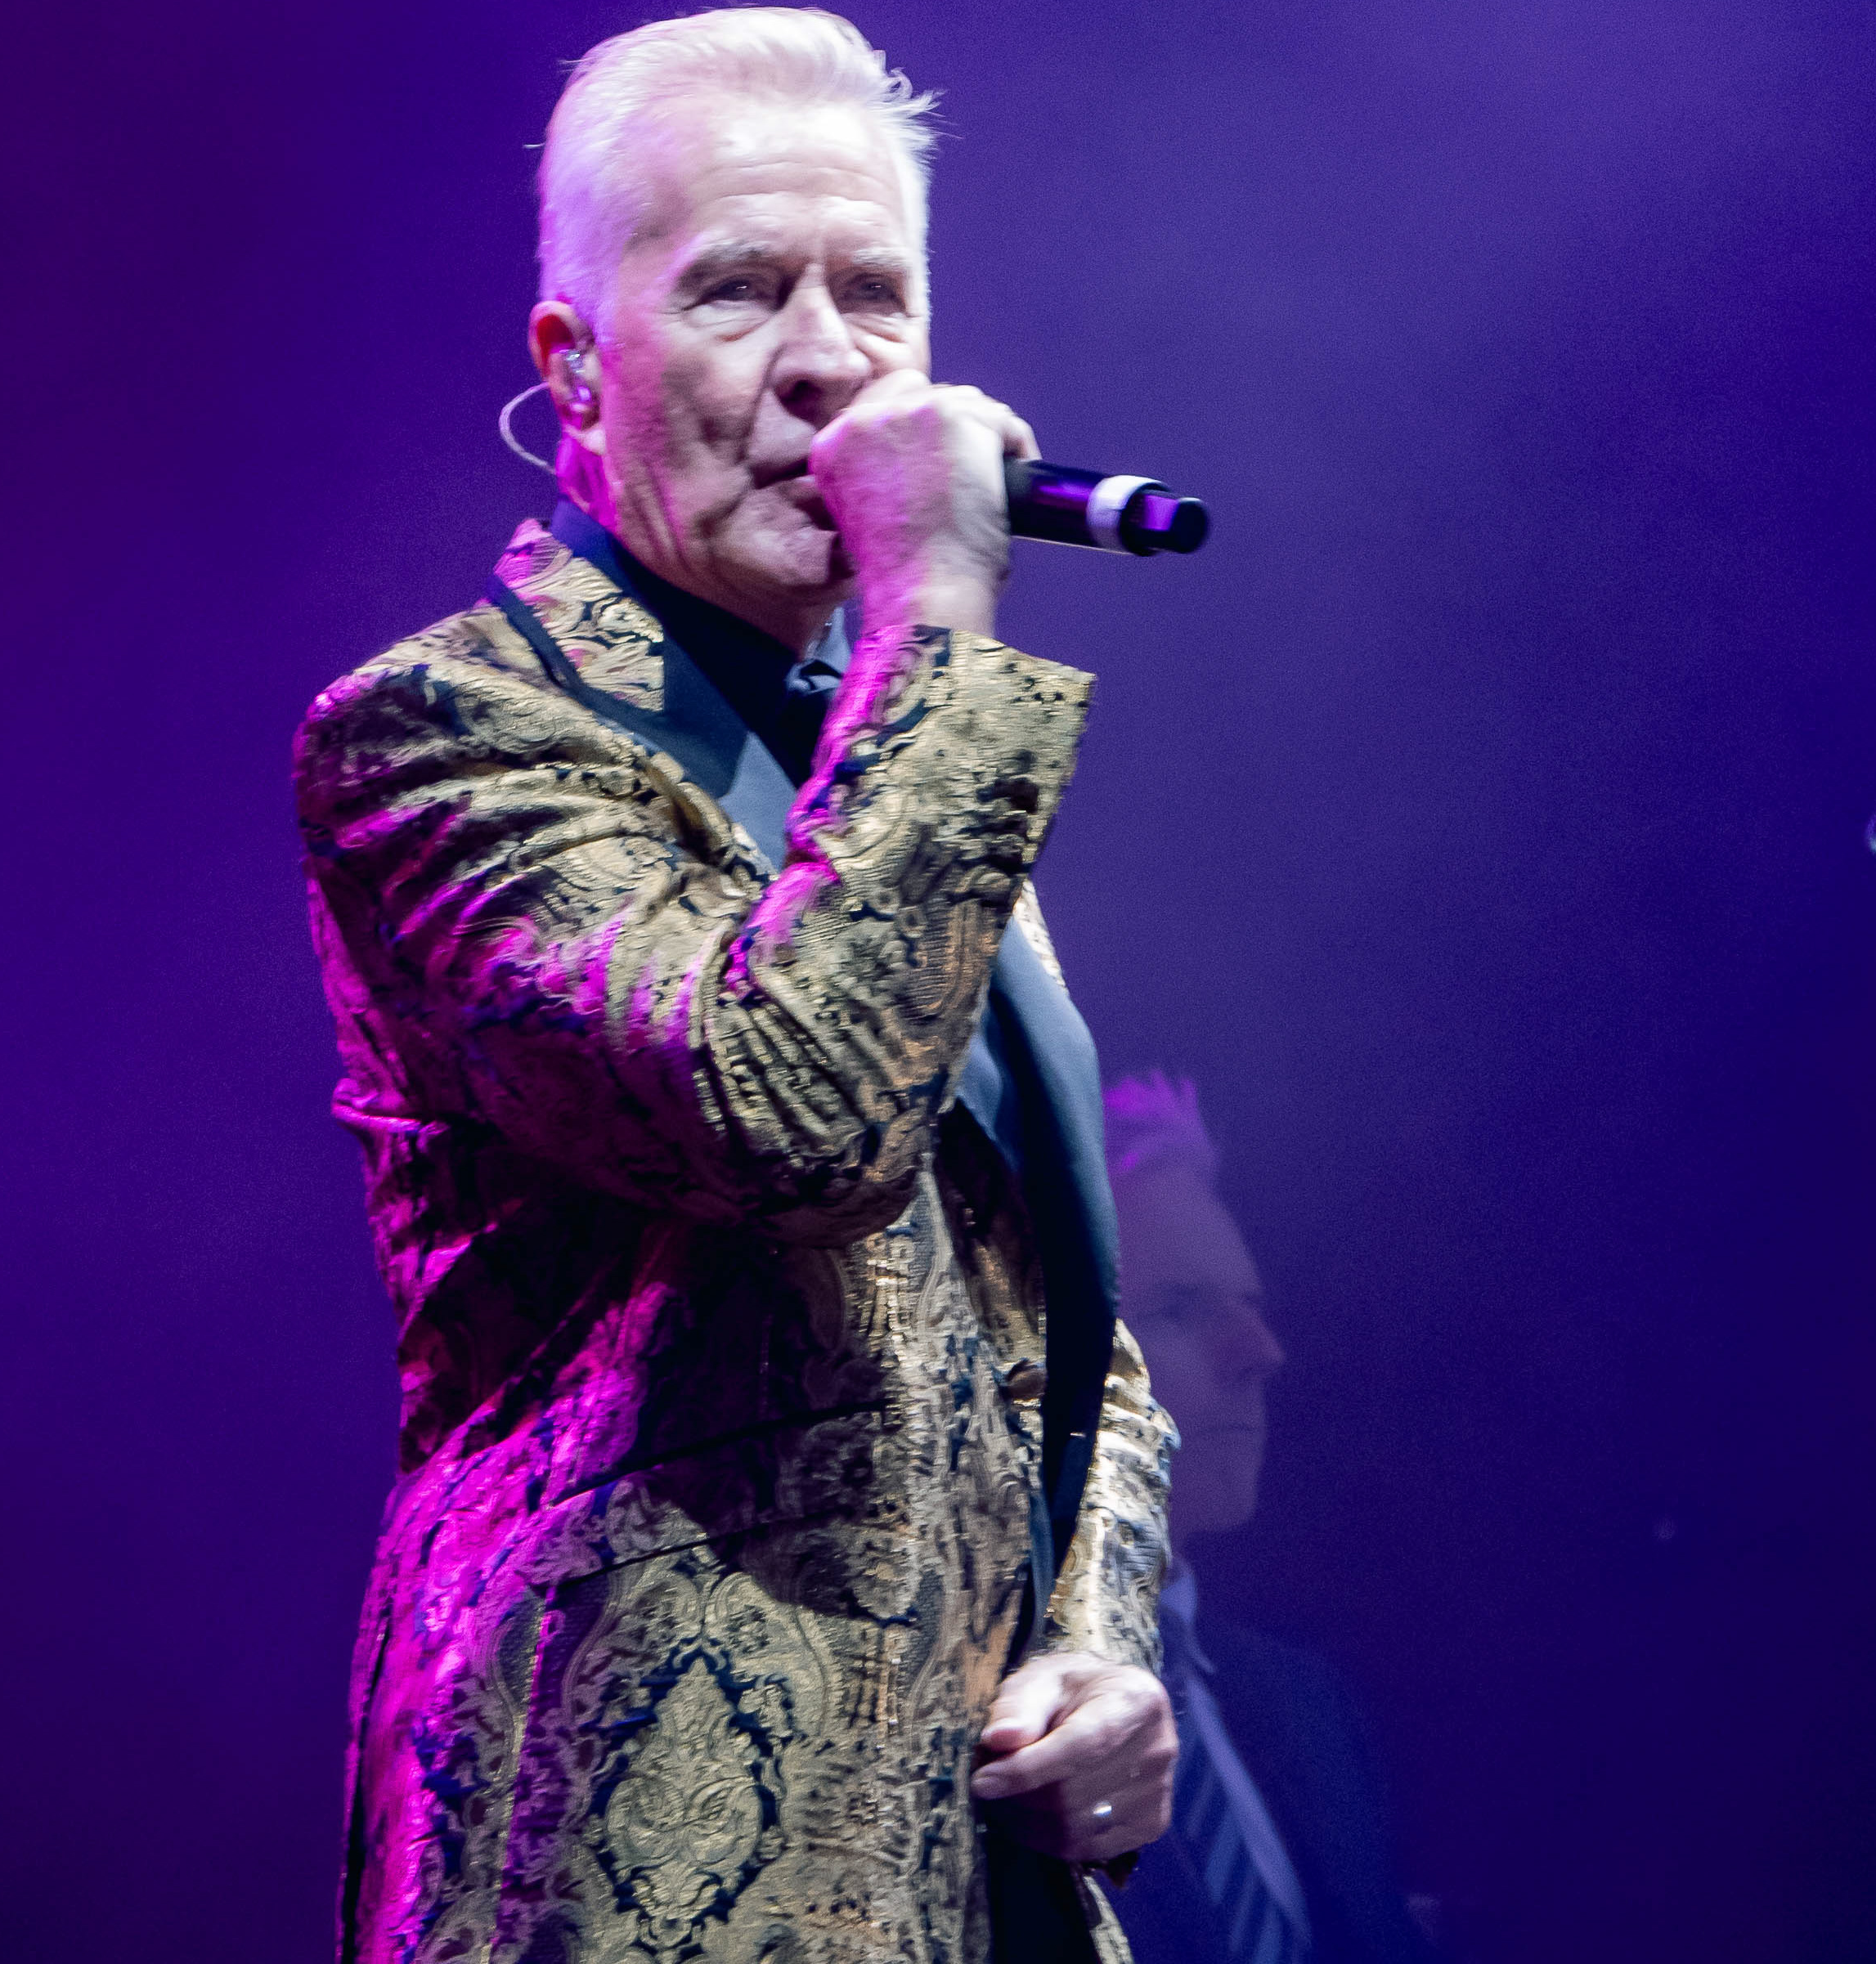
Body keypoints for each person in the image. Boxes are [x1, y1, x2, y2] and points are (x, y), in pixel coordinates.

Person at [291, 13, 1176, 1961]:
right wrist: (937, 627)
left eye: (875, 293)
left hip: (966, 1882)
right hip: (630, 1864)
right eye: (738, 290)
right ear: (574, 369)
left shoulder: (879, 760)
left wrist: (1099, 1641)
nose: (825, 357)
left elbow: (1061, 1325)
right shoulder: (448, 740)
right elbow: (792, 1123)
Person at [1101, 1074, 1438, 1964]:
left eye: (1249, 1307)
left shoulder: (1308, 1705)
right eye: (1178, 1307)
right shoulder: (944, 1706)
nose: (1261, 1351)